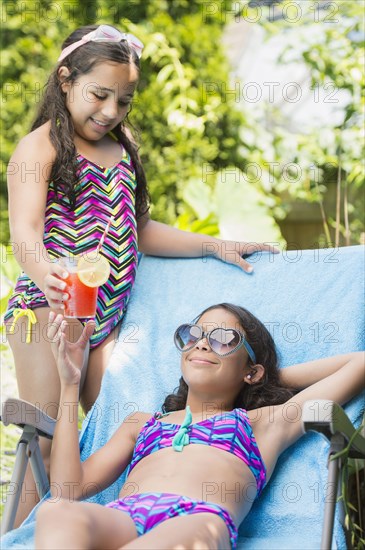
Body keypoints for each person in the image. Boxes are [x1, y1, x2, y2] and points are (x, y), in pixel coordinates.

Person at [4, 24, 276, 525]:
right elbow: (25, 235)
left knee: (121, 425)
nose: (110, 111)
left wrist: (215, 245)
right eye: (99, 95)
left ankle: (136, 520)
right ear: (65, 80)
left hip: (104, 323)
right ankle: (18, 537)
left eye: (124, 101)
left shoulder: (121, 147)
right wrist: (50, 277)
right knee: (43, 437)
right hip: (47, 312)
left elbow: (140, 227)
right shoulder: (39, 147)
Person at [34, 303, 364, 550]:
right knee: (56, 512)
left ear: (252, 369)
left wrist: (264, 381)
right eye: (193, 335)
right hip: (125, 515)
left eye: (224, 340)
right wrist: (69, 384)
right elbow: (67, 489)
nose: (202, 345)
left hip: (199, 521)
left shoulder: (263, 424)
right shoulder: (142, 424)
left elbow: (359, 364)